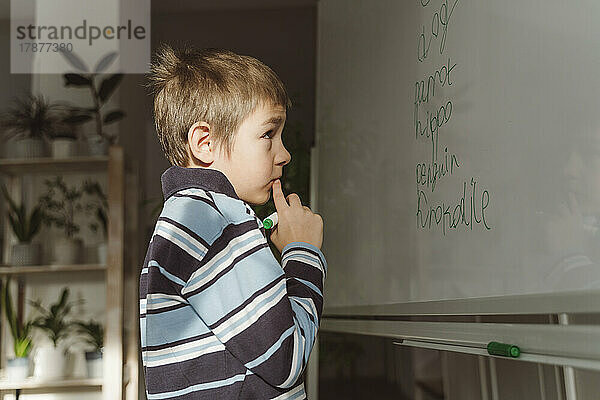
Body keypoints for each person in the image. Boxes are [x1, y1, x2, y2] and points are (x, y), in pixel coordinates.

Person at [140, 43, 327, 400]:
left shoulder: (190, 217)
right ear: (205, 143)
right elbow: (285, 358)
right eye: (268, 134)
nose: (284, 154)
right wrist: (303, 252)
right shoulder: (215, 219)